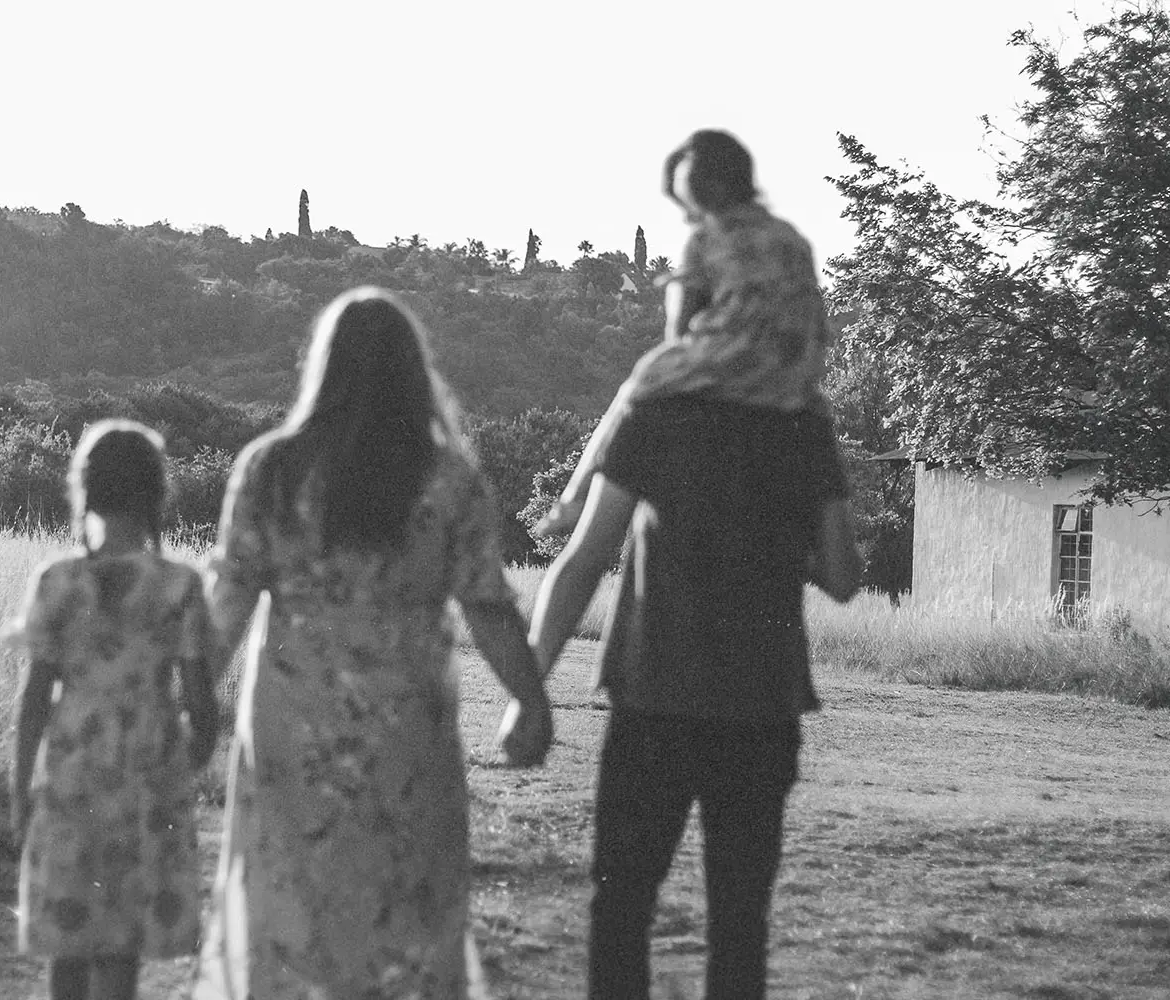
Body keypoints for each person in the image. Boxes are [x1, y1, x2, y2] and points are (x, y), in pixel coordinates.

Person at [191, 287, 553, 1000]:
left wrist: (190, 704)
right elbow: (489, 609)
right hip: (406, 731)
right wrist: (532, 702)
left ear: (323, 369)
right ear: (413, 374)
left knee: (290, 908)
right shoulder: (449, 479)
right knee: (406, 911)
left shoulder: (271, 470)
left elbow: (226, 606)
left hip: (292, 732)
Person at [526, 395, 861, 998]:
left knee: (622, 907)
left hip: (655, 696)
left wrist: (527, 692)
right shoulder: (803, 419)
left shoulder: (657, 406)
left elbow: (584, 557)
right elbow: (841, 576)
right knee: (738, 922)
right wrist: (773, 544)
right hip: (761, 702)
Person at [6, 419, 220, 1000]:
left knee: (68, 934)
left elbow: (32, 703)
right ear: (157, 494)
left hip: (71, 771)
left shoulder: (55, 580)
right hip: (147, 778)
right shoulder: (180, 585)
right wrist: (184, 768)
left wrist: (20, 788)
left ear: (86, 491)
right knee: (120, 940)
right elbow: (204, 709)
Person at [534, 128, 831, 539]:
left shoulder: (706, 239)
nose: (689, 217)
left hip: (730, 364)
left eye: (689, 206)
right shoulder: (793, 239)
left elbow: (677, 330)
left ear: (708, 193)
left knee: (640, 379)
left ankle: (572, 499)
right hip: (795, 372)